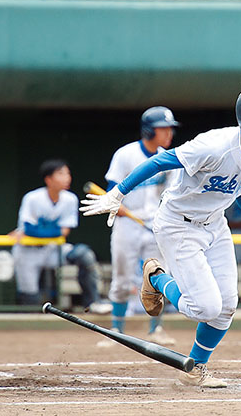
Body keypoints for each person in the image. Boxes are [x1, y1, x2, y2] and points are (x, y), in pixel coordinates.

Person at [82, 82, 241, 388]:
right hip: (178, 224)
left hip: (215, 224)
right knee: (206, 308)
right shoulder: (213, 145)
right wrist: (117, 193)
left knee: (226, 307)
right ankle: (156, 278)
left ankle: (194, 370)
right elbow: (160, 161)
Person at [101, 106, 179, 346]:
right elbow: (111, 190)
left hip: (155, 225)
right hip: (127, 224)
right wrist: (118, 206)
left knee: (157, 276)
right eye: (163, 129)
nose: (169, 133)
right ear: (149, 130)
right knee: (122, 278)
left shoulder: (169, 157)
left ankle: (156, 329)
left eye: (169, 129)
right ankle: (116, 331)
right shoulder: (125, 154)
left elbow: (172, 194)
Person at [9, 159, 110, 313]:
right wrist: (49, 231)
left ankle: (93, 303)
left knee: (84, 255)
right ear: (48, 179)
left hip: (52, 250)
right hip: (27, 251)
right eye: (61, 173)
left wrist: (39, 231)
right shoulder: (32, 198)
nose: (67, 177)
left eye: (67, 173)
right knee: (30, 297)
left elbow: (64, 231)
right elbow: (29, 229)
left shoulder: (70, 199)